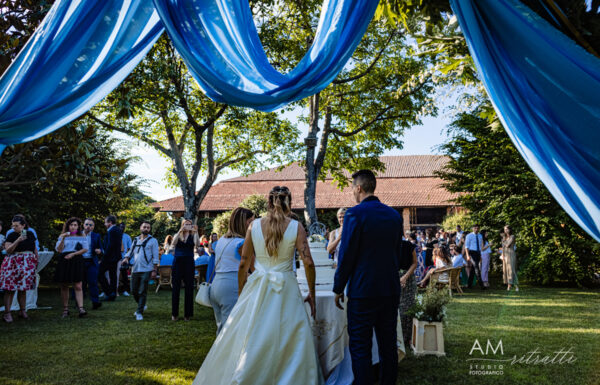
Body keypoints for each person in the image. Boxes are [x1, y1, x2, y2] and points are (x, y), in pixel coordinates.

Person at [193, 185, 323, 385]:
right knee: (289, 334)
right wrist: (312, 294)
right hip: (286, 286)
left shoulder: (254, 226)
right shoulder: (296, 227)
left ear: (268, 202)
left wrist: (241, 291)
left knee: (252, 331)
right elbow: (309, 262)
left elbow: (244, 263)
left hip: (257, 285)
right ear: (290, 202)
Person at [333, 170, 403, 385]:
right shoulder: (394, 215)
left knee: (360, 346)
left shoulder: (355, 214)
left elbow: (347, 255)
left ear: (359, 188)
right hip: (390, 287)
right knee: (388, 344)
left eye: (353, 187)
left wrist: (338, 287)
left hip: (364, 290)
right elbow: (397, 251)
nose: (353, 192)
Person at [209, 207, 254, 334]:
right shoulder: (242, 243)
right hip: (232, 286)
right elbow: (254, 268)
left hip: (216, 285)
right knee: (231, 329)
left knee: (221, 327)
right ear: (245, 223)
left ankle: (218, 353)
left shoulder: (222, 240)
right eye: (251, 222)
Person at [1, 216, 38, 322]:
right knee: (10, 289)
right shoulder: (11, 235)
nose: (14, 227)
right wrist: (18, 240)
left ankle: (22, 311)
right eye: (13, 225)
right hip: (13, 263)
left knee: (23, 288)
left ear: (23, 225)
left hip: (27, 263)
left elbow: (34, 248)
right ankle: (7, 314)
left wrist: (36, 260)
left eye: (16, 225)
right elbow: (8, 250)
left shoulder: (30, 234)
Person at [123, 221, 159, 321]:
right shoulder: (135, 239)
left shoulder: (153, 241)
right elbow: (130, 251)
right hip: (135, 268)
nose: (146, 229)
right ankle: (141, 305)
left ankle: (139, 312)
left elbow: (155, 256)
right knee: (133, 290)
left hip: (147, 269)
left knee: (142, 290)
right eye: (144, 227)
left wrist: (154, 270)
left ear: (150, 229)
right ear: (140, 228)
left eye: (148, 227)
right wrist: (126, 258)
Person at [55, 217, 89, 318]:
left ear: (78, 227)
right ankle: (65, 309)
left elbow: (85, 249)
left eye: (75, 225)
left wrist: (73, 254)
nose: (73, 227)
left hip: (76, 259)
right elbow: (59, 250)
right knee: (64, 285)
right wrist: (63, 238)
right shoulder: (62, 235)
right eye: (71, 225)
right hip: (64, 259)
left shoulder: (81, 235)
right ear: (68, 226)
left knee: (78, 285)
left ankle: (81, 308)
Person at [169, 219, 200, 321]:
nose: (187, 226)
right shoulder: (178, 235)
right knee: (176, 288)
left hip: (189, 262)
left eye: (189, 224)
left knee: (189, 288)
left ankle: (187, 314)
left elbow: (197, 244)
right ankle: (174, 314)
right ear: (182, 225)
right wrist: (180, 231)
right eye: (186, 224)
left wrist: (196, 232)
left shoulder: (193, 235)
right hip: (178, 262)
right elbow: (173, 244)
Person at [398, 237, 418, 349]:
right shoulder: (386, 244)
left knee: (408, 308)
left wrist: (405, 277)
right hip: (392, 279)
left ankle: (409, 337)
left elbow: (415, 263)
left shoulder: (408, 245)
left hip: (409, 279)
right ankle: (397, 337)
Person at [98, 215, 123, 301]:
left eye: (105, 222)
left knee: (99, 273)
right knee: (113, 276)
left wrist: (104, 257)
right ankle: (112, 294)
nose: (105, 224)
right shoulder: (117, 230)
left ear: (110, 222)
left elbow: (110, 245)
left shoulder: (112, 231)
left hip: (109, 258)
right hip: (115, 257)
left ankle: (109, 292)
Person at [82, 218, 103, 310]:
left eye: (91, 225)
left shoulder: (96, 236)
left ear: (93, 227)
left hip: (91, 262)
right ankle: (79, 303)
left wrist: (99, 251)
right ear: (83, 225)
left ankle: (95, 302)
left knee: (93, 282)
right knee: (80, 283)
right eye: (87, 224)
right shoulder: (78, 235)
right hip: (80, 262)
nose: (88, 226)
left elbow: (101, 248)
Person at [464, 224, 485, 289]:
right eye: (475, 228)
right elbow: (466, 246)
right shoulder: (469, 236)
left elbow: (480, 246)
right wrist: (467, 255)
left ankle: (469, 285)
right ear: (472, 228)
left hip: (478, 253)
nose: (476, 229)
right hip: (472, 253)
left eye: (477, 228)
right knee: (476, 267)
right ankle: (482, 285)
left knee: (473, 270)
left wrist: (481, 255)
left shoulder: (480, 236)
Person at [502, 225, 519, 292]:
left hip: (511, 254)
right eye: (504, 229)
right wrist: (502, 255)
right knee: (506, 270)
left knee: (511, 270)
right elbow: (503, 247)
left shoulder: (512, 236)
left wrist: (503, 239)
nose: (505, 231)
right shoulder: (504, 238)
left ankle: (516, 285)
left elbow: (507, 245)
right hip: (505, 255)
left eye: (506, 229)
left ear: (509, 230)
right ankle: (509, 285)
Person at [118, 223, 132, 297]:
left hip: (124, 258)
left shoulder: (127, 237)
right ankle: (114, 290)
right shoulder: (115, 236)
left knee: (124, 275)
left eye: (123, 227)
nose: (122, 228)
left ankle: (125, 290)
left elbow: (130, 248)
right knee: (114, 275)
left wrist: (127, 258)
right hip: (116, 258)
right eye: (120, 227)